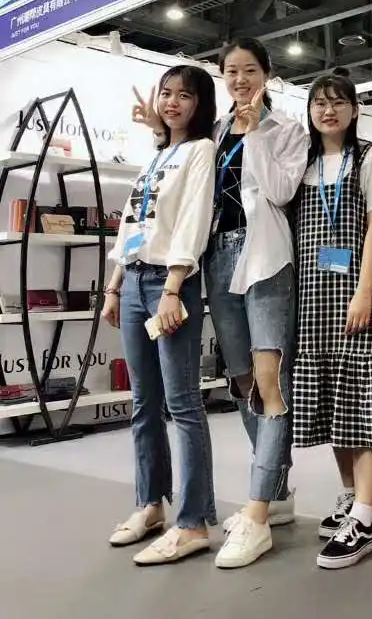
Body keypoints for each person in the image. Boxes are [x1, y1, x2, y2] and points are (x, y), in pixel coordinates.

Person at [293, 68, 372, 570]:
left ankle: (363, 517)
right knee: (333, 401)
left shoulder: (370, 157)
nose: (329, 110)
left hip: (358, 295)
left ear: (354, 109)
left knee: (369, 402)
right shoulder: (301, 162)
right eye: (320, 102)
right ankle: (348, 496)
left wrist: (364, 291)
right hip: (312, 299)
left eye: (338, 101)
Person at [102, 64, 217, 566]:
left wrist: (173, 287)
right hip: (133, 281)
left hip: (171, 283)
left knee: (183, 403)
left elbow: (193, 221)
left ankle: (193, 523)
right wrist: (114, 285)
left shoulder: (200, 150)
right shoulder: (156, 156)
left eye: (183, 95)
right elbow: (134, 222)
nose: (172, 102)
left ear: (199, 104)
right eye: (166, 93)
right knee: (143, 402)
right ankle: (150, 505)